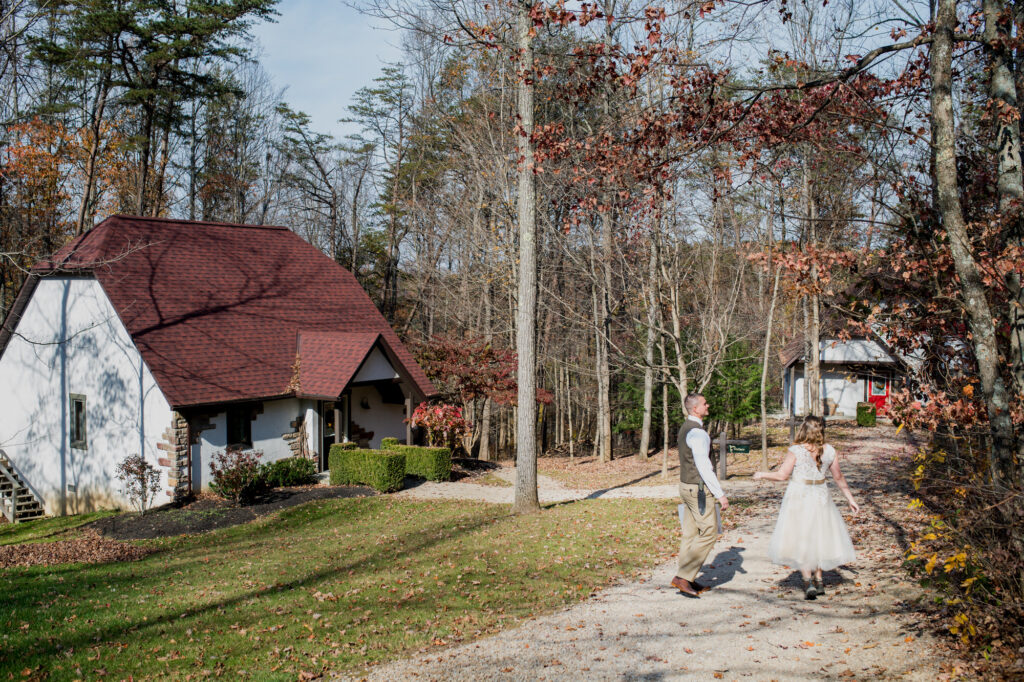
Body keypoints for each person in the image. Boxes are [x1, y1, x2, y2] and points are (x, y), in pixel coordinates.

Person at [754, 415, 859, 600]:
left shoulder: (796, 450)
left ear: (804, 429)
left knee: (802, 536)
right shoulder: (830, 451)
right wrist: (850, 499)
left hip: (799, 496)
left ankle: (807, 580)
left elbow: (781, 475)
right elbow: (839, 477)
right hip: (820, 495)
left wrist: (761, 474)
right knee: (819, 535)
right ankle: (819, 580)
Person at [670, 393, 729, 598]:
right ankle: (684, 577)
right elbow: (704, 466)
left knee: (690, 533)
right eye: (705, 403)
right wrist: (720, 494)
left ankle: (687, 578)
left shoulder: (686, 428)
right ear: (696, 409)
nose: (708, 405)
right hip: (699, 490)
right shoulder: (698, 433)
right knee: (710, 532)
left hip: (686, 486)